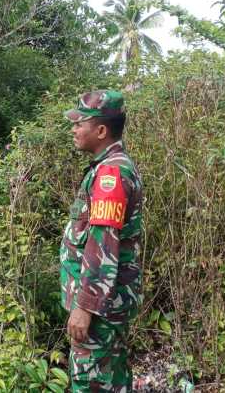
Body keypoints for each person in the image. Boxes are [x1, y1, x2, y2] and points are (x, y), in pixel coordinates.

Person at [60, 90, 143, 392]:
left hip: (99, 309)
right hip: (110, 303)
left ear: (101, 130)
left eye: (79, 122)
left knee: (90, 381)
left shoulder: (111, 174)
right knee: (113, 378)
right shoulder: (109, 167)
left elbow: (102, 244)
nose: (74, 129)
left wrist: (85, 306)